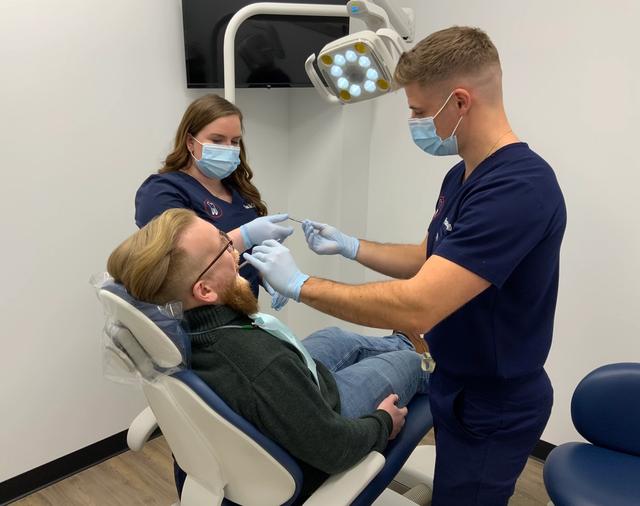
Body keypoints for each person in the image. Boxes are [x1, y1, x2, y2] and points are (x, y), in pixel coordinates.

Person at [243, 26, 567, 505]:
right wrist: (352, 246)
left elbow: (418, 307)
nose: (413, 122)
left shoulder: (518, 188)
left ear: (459, 102)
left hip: (494, 401)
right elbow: (428, 257)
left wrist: (300, 284)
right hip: (453, 381)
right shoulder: (463, 175)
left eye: (417, 111)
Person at [106, 208, 431, 503]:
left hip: (289, 394)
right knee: (412, 363)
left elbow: (268, 368)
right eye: (223, 247)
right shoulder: (259, 365)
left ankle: (402, 340)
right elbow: (334, 449)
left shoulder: (182, 327)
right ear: (204, 291)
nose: (235, 251)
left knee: (334, 337)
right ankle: (417, 354)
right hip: (325, 424)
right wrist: (382, 422)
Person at [134, 94, 292, 306]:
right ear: (191, 142)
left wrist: (267, 274)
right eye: (217, 140)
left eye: (234, 141)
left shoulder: (239, 190)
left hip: (242, 314)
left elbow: (245, 258)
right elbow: (178, 263)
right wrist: (246, 235)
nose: (228, 148)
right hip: (196, 320)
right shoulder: (162, 191)